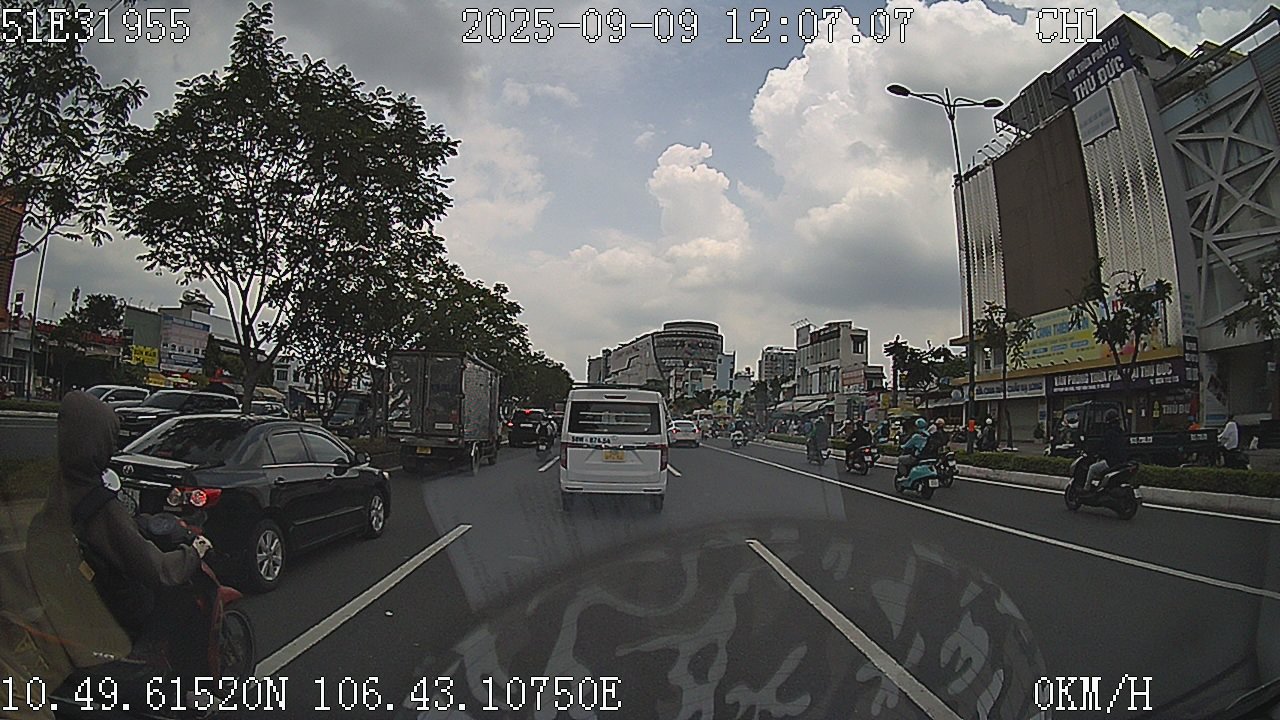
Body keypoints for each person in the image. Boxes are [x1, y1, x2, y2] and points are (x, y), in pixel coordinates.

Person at [1086, 408, 1129, 489]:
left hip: (1111, 462)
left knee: (1092, 468)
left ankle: (1086, 489)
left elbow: (1106, 448)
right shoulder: (1121, 432)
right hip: (1122, 462)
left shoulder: (1109, 433)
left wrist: (1098, 453)